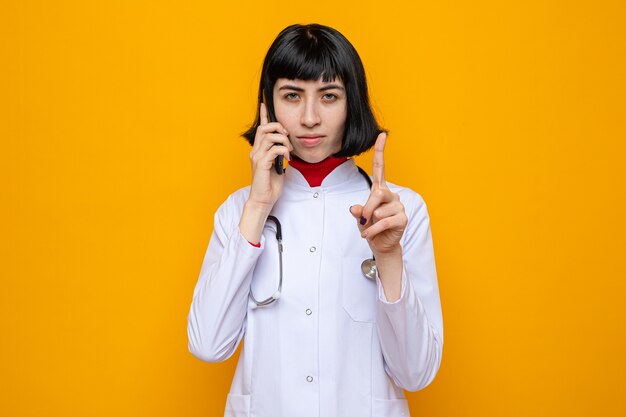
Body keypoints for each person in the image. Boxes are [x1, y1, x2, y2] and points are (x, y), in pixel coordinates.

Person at [187, 23, 443, 417]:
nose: (309, 118)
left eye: (328, 96)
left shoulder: (401, 212)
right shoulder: (237, 211)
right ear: (267, 106)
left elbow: (417, 373)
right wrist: (257, 208)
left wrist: (389, 256)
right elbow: (207, 345)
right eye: (292, 95)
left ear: (351, 102)